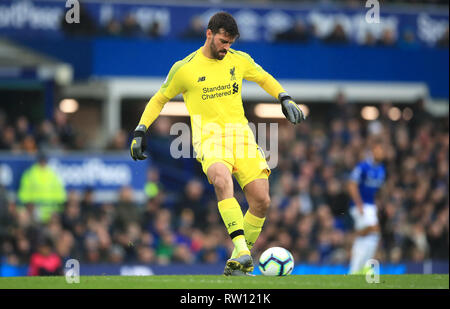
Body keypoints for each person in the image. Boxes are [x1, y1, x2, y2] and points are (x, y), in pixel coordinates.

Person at [130, 12, 305, 276]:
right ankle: (242, 250)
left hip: (242, 137)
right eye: (223, 41)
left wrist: (284, 97)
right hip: (209, 139)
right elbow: (158, 100)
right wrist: (141, 129)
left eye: (230, 43)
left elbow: (264, 78)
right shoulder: (184, 68)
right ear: (209, 34)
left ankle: (237, 261)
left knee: (262, 200)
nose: (226, 48)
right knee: (222, 181)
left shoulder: (239, 60)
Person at [347, 139, 386, 274]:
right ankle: (351, 236)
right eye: (378, 150)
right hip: (361, 205)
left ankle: (361, 268)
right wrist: (359, 204)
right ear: (372, 152)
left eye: (382, 151)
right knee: (374, 229)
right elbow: (352, 184)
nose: (381, 153)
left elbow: (374, 190)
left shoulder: (381, 169)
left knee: (372, 237)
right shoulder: (363, 166)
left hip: (371, 206)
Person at [17, 152, 67, 223]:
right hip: (35, 211)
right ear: (38, 161)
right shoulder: (29, 174)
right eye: (41, 160)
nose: (43, 162)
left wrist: (58, 210)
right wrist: (28, 208)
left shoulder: (53, 175)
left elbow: (60, 195)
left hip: (51, 212)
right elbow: (23, 196)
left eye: (44, 160)